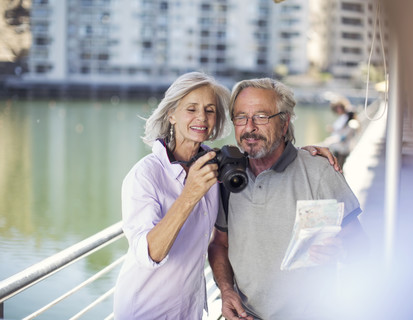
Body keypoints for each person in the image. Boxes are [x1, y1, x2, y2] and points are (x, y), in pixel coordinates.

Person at [113, 72, 339, 319]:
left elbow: (265, 151)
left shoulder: (217, 163)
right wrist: (190, 193)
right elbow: (149, 254)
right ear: (171, 114)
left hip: (189, 310)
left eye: (210, 110)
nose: (201, 117)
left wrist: (304, 155)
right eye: (191, 109)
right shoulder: (145, 175)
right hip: (145, 309)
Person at [208, 78, 367, 320]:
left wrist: (340, 252)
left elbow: (361, 249)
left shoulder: (319, 172)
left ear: (284, 123)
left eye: (261, 116)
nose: (249, 127)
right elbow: (219, 244)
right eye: (241, 117)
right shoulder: (230, 175)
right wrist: (227, 291)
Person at [323, 99, 359, 170]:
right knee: (338, 167)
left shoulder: (348, 122)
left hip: (342, 148)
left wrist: (332, 137)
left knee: (338, 168)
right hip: (340, 147)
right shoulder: (345, 119)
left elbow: (343, 136)